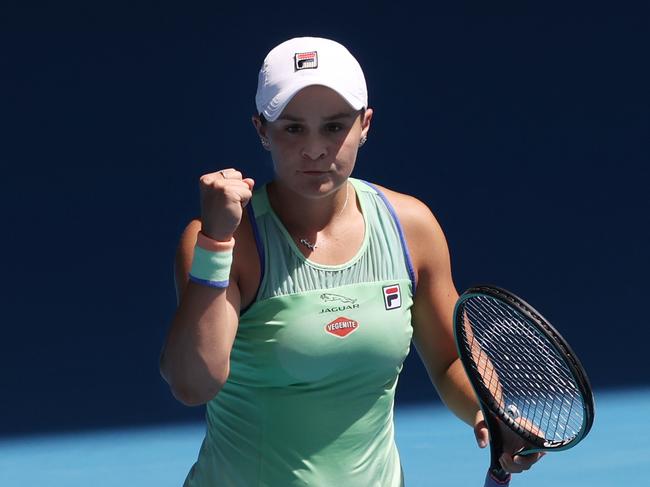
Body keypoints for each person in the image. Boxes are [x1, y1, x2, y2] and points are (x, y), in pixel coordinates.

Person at [159, 36, 543, 486]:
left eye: (335, 126)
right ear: (262, 130)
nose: (316, 149)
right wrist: (216, 242)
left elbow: (450, 361)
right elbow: (192, 385)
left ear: (365, 124)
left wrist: (488, 409)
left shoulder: (411, 227)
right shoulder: (228, 240)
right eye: (293, 128)